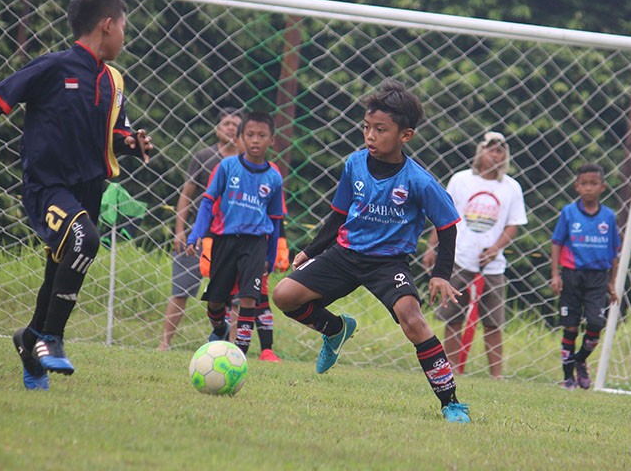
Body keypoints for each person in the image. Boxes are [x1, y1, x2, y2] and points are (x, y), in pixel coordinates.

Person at [0, 0, 154, 389]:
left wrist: (131, 144)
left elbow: (113, 134)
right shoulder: (53, 66)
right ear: (107, 25)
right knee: (86, 241)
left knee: (56, 275)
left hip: (88, 189)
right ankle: (52, 340)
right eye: (123, 27)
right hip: (47, 187)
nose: (124, 36)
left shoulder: (114, 81)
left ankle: (29, 339)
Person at [272, 79, 471, 424]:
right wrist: (312, 249)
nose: (370, 136)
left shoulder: (419, 181)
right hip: (345, 254)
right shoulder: (354, 164)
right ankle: (335, 329)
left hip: (388, 262)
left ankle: (451, 403)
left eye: (380, 129)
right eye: (366, 127)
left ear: (405, 135)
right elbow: (339, 214)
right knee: (284, 295)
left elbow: (447, 226)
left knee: (413, 320)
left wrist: (440, 274)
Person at [423, 130, 527, 379]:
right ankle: (451, 371)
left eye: (500, 150)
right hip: (459, 260)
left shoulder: (511, 187)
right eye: (491, 149)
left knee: (493, 323)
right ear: (481, 152)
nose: (495, 154)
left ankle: (496, 376)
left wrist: (496, 248)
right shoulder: (461, 180)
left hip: (493, 266)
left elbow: (514, 223)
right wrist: (431, 246)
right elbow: (444, 215)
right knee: (454, 320)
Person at [185, 110, 284, 358]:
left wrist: (270, 259)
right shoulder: (227, 167)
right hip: (225, 240)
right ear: (240, 138)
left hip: (255, 243)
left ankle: (238, 354)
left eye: (262, 135)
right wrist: (195, 234)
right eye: (250, 134)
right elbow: (207, 202)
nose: (255, 140)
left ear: (271, 140)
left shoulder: (273, 176)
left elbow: (275, 220)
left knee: (249, 298)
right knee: (216, 301)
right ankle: (220, 328)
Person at [158, 108, 242, 350]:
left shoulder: (249, 162)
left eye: (235, 124)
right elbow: (186, 195)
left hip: (234, 238)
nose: (230, 128)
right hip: (200, 235)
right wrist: (180, 230)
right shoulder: (204, 156)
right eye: (225, 123)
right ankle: (164, 343)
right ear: (217, 128)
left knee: (237, 298)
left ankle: (233, 348)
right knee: (181, 289)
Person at [550, 162, 621, 390]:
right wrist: (555, 275)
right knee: (570, 327)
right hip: (571, 275)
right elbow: (557, 243)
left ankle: (580, 360)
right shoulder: (569, 212)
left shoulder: (608, 217)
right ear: (576, 187)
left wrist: (612, 282)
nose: (588, 188)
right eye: (584, 184)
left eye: (593, 183)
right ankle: (567, 376)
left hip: (598, 278)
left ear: (602, 187)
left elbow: (614, 253)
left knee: (595, 324)